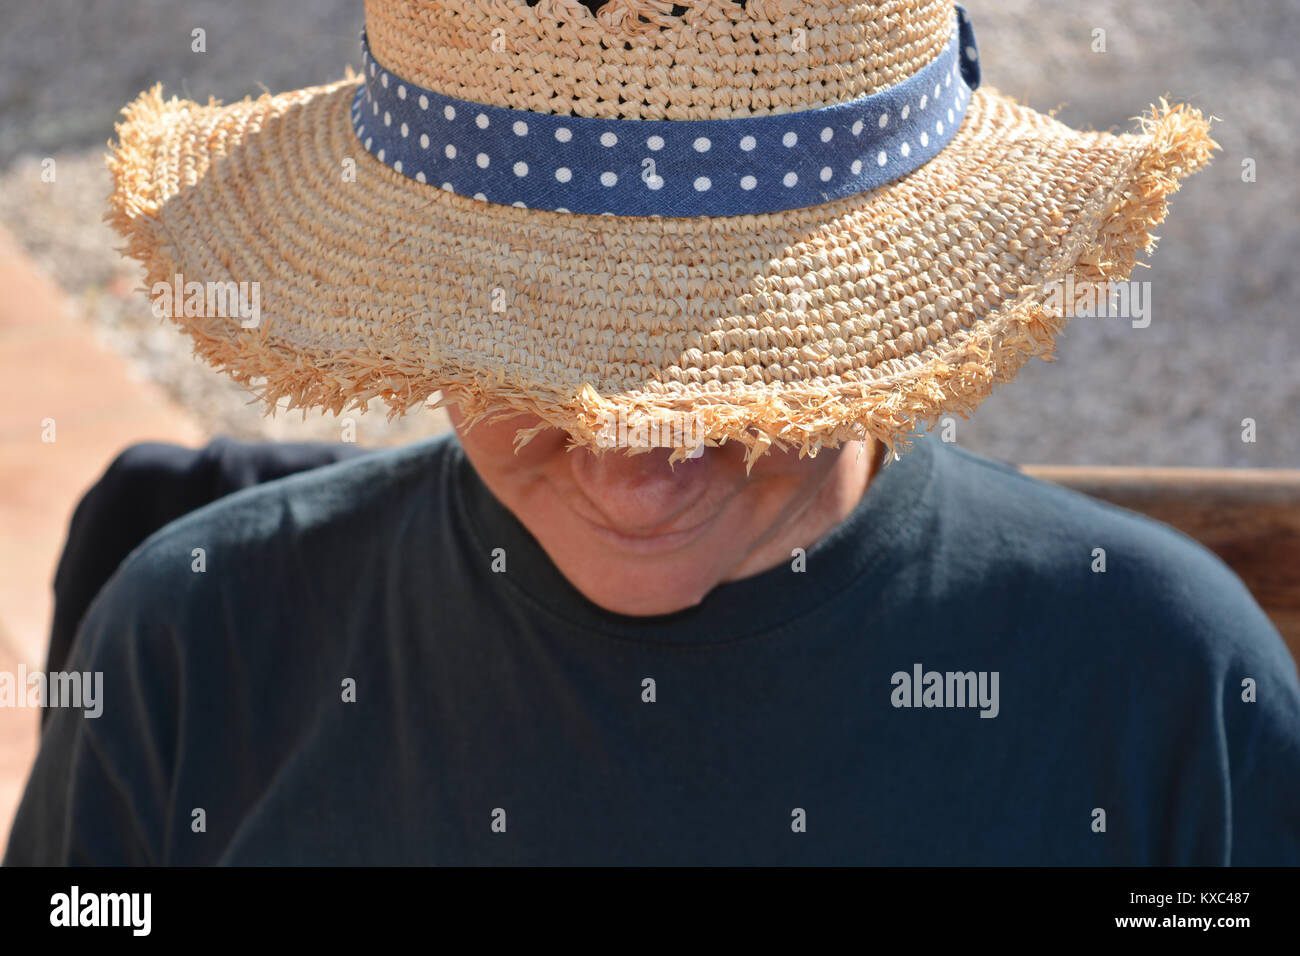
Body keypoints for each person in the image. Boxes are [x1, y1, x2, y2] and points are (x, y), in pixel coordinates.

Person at [7, 0, 1298, 865]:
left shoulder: (1164, 698)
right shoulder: (190, 653)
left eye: (718, 362)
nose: (632, 462)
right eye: (546, 367)